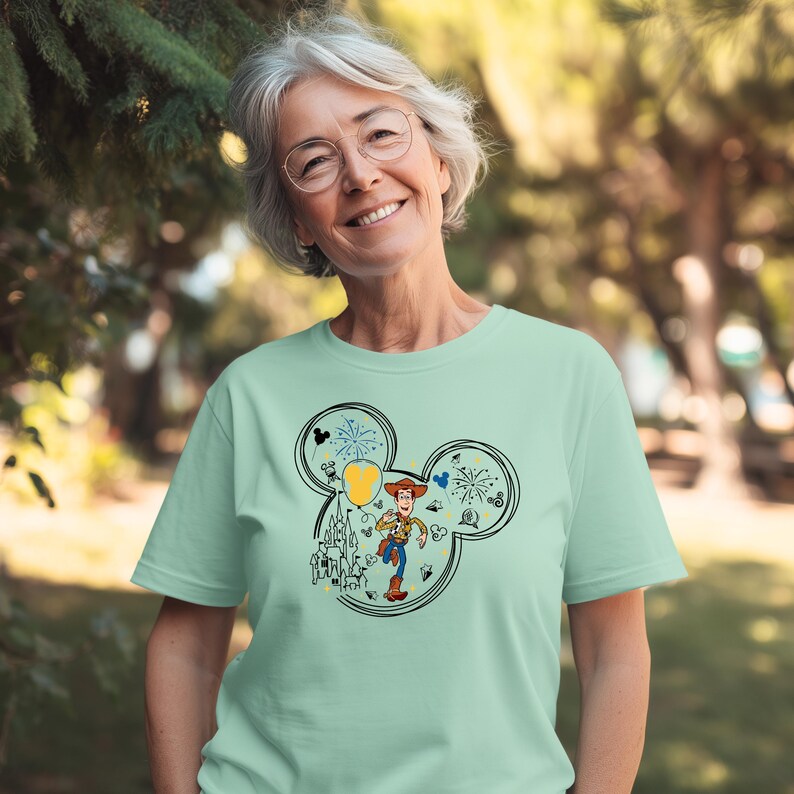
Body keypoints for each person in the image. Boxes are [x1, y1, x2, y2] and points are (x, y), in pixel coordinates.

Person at [131, 11, 688, 794]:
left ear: (436, 155)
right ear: (298, 220)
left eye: (381, 134)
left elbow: (616, 650)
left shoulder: (569, 376)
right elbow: (185, 646)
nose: (359, 174)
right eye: (314, 161)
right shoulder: (249, 396)